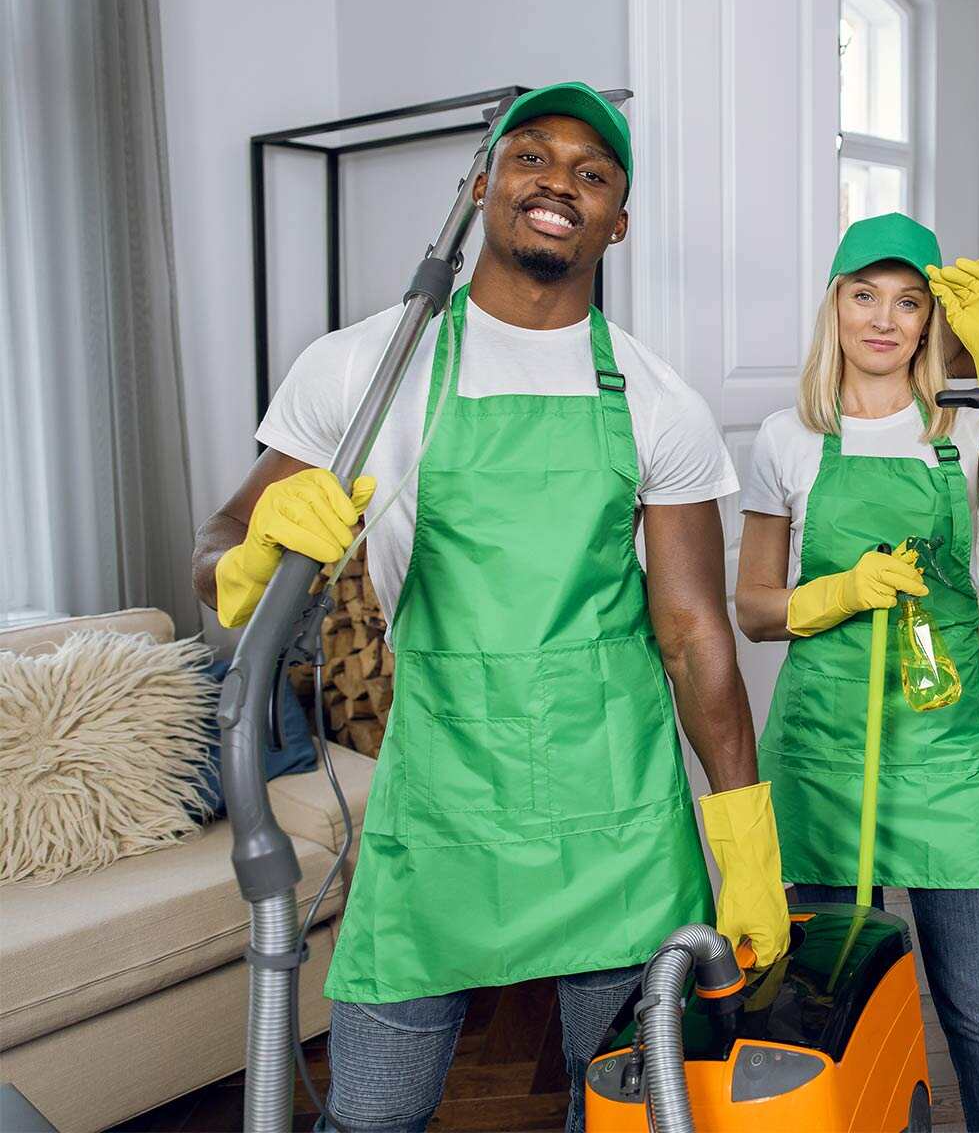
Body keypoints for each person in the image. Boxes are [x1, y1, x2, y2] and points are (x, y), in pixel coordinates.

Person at [190, 82, 789, 1133]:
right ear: (482, 187)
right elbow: (215, 550)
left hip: (617, 817)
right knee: (370, 1112)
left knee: (622, 1110)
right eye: (532, 157)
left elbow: (694, 635)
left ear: (618, 220)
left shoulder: (658, 398)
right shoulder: (363, 370)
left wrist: (746, 844)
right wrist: (257, 553)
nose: (559, 179)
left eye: (592, 172)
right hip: (441, 804)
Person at [735, 212, 979, 1133]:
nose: (884, 319)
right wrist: (836, 594)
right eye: (864, 295)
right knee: (819, 1007)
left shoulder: (960, 427)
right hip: (821, 757)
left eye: (909, 302)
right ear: (834, 307)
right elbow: (752, 609)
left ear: (931, 320)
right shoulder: (786, 439)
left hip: (944, 760)